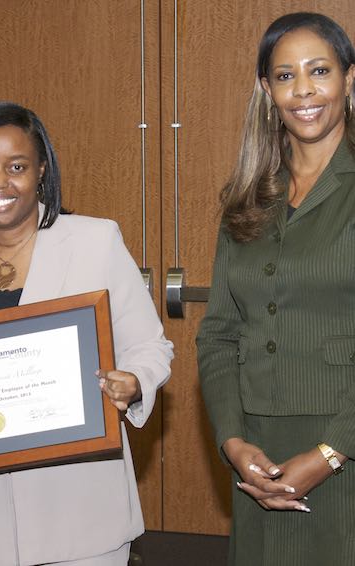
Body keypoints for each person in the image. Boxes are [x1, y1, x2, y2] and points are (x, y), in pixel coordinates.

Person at [0, 100, 173, 566]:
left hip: (80, 512)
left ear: (41, 171)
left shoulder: (96, 241)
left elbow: (150, 346)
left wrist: (132, 382)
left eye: (16, 166)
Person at [197, 12, 355, 566]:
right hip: (258, 457)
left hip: (344, 444)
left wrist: (331, 453)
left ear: (349, 79)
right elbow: (218, 333)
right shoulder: (248, 195)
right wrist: (233, 443)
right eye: (285, 76)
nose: (304, 90)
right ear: (267, 90)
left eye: (320, 71)